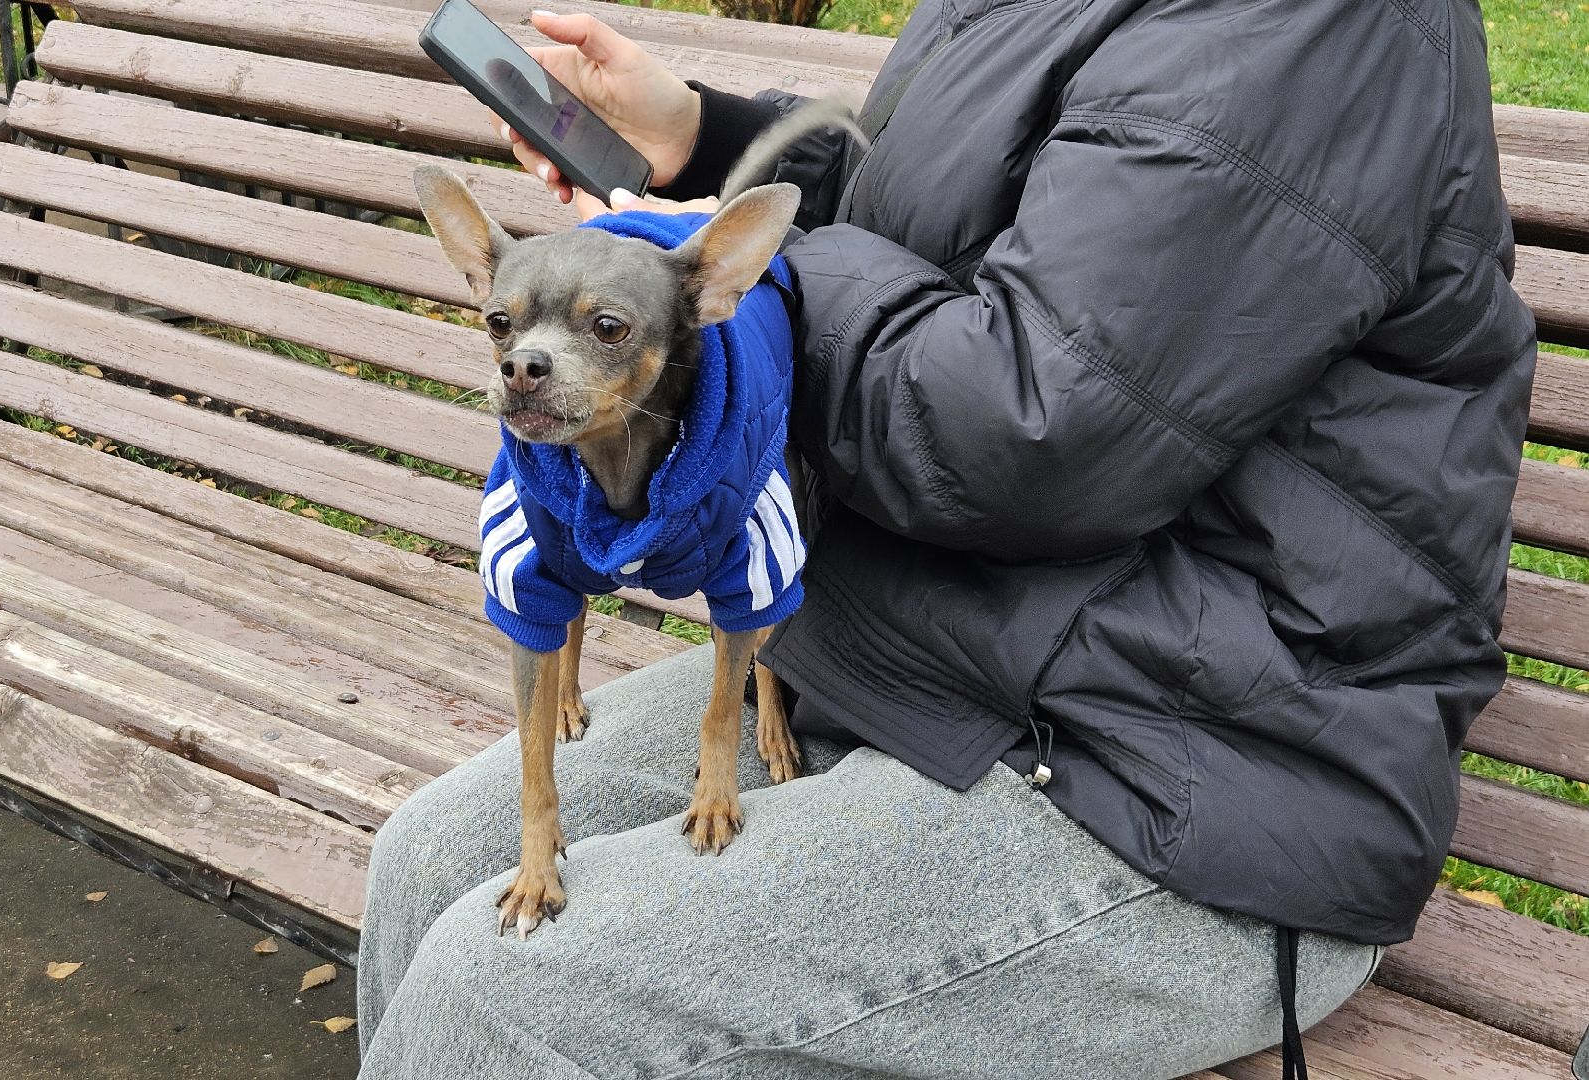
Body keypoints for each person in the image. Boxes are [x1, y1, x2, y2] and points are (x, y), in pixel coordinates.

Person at [357, 0, 1536, 1076]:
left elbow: (1030, 434)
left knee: (505, 996)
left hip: (1190, 770)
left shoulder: (1312, 27)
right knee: (431, 857)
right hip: (926, 657)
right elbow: (948, 216)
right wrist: (708, 146)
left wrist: (721, 278)